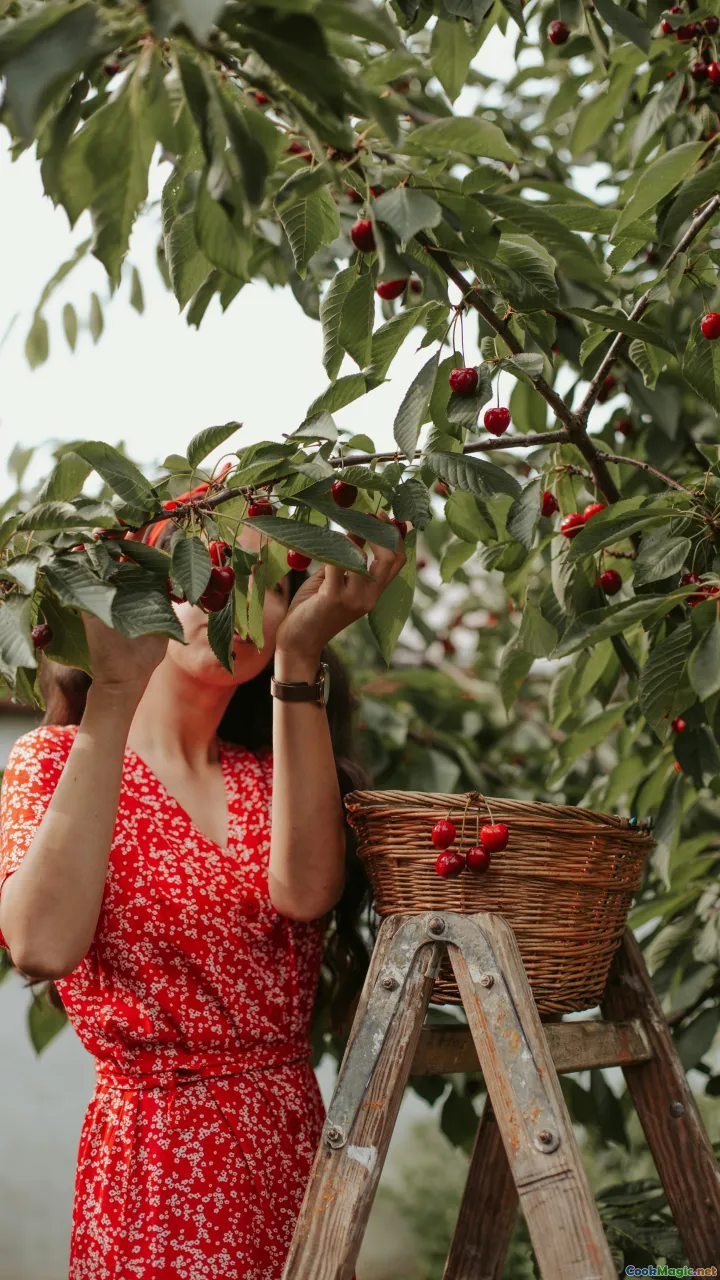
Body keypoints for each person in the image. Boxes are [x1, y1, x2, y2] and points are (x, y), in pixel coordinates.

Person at [0, 506, 407, 1280]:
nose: (246, 608)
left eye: (274, 589)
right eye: (217, 578)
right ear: (148, 599)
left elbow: (306, 893)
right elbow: (40, 947)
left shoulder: (273, 770)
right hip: (162, 1165)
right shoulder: (54, 762)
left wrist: (299, 657)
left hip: (291, 1147)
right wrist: (116, 692)